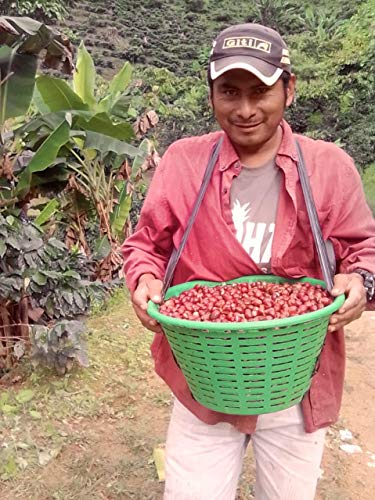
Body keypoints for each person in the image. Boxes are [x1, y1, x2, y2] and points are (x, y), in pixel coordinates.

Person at [122, 23, 375, 500]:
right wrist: (144, 279)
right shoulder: (183, 162)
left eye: (260, 92)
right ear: (211, 93)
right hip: (205, 380)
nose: (244, 109)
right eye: (229, 92)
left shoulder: (328, 167)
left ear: (289, 88)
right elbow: (144, 245)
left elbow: (365, 249)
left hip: (295, 377)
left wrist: (361, 281)